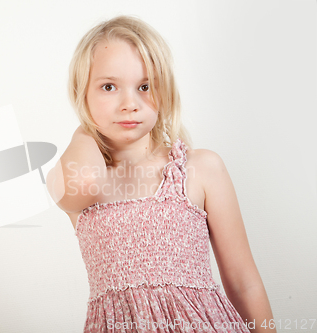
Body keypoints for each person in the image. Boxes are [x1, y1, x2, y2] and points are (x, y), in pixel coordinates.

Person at [47, 14, 276, 332]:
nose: (130, 103)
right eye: (108, 86)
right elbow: (84, 182)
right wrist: (85, 131)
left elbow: (243, 281)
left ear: (165, 91)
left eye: (145, 86)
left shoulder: (200, 169)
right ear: (81, 92)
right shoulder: (76, 176)